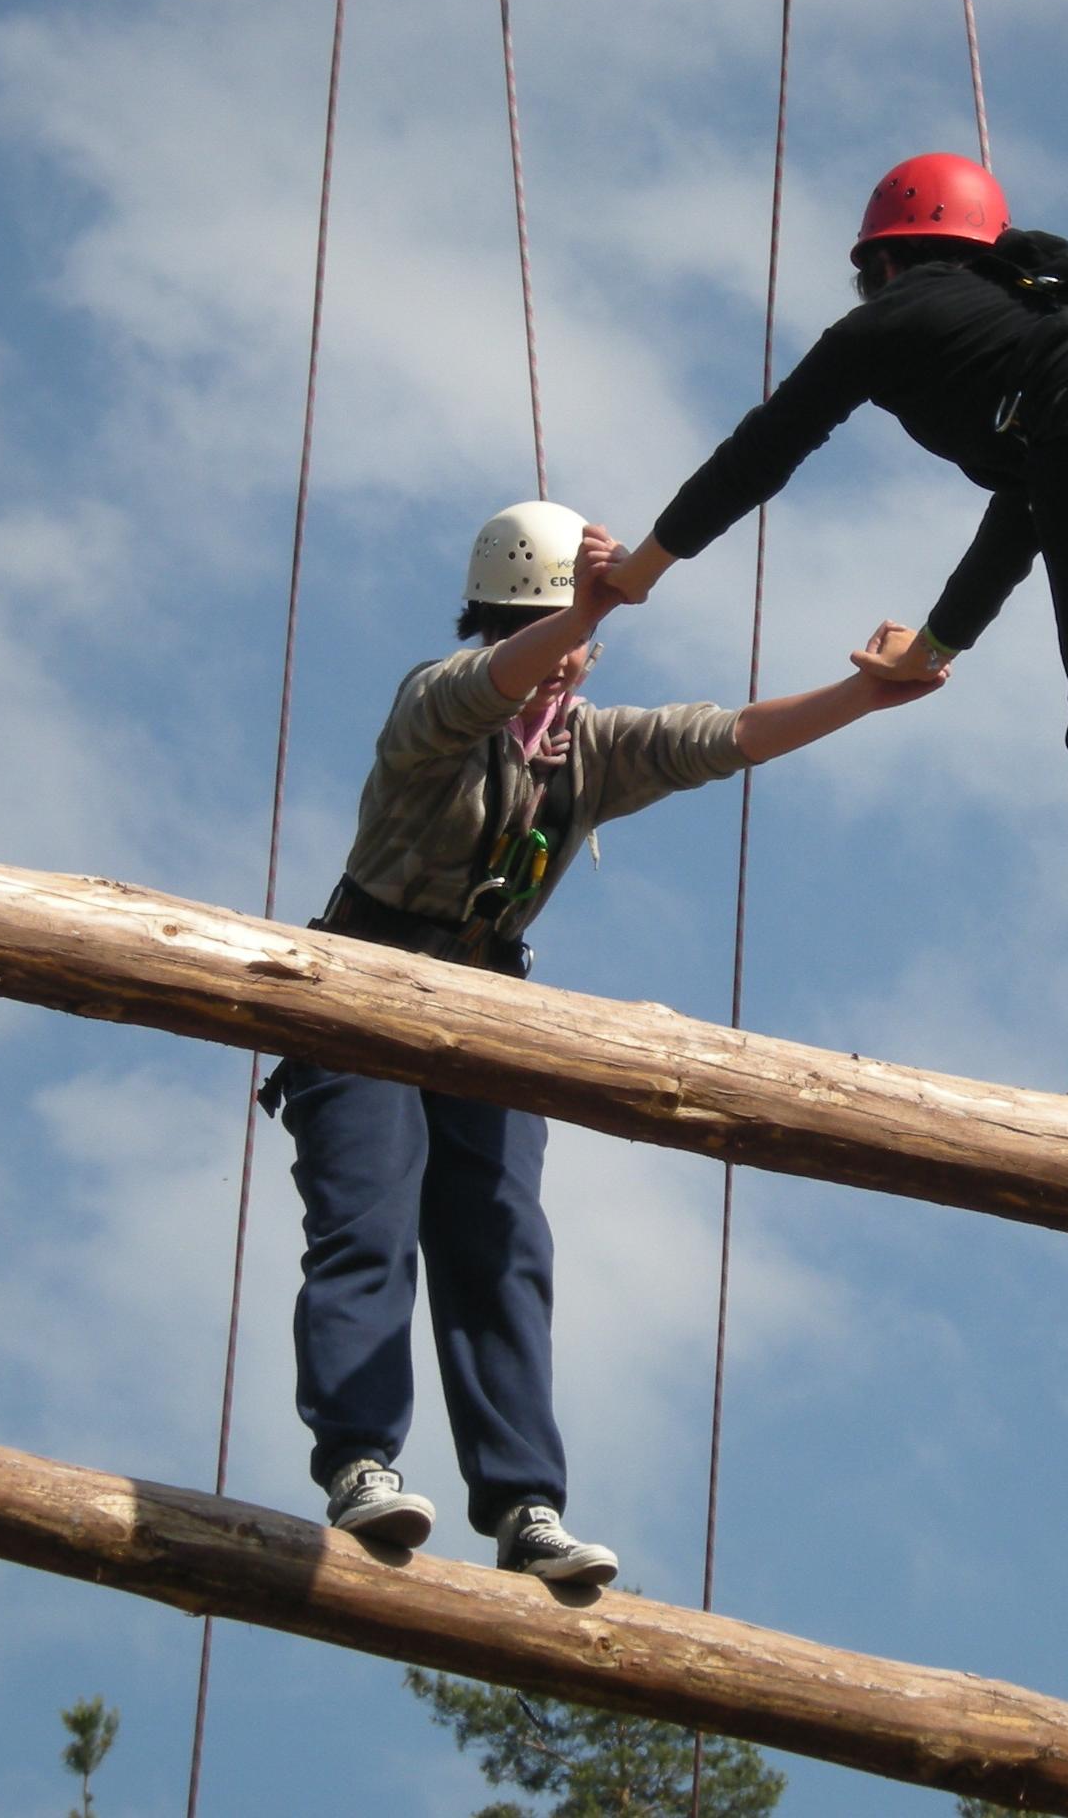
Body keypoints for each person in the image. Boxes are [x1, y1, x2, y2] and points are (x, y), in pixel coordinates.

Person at [258, 499, 940, 1586]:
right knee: (366, 1225)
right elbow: (493, 684)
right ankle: (358, 1463)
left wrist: (868, 692)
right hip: (362, 981)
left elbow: (727, 738)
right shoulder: (438, 704)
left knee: (502, 1250)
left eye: (584, 639)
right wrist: (580, 610)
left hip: (486, 1006)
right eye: (556, 632)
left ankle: (525, 1500)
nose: (571, 659)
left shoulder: (591, 751)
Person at [605, 153, 1068, 1128]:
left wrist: (640, 571)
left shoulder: (897, 321)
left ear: (888, 264)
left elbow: (764, 449)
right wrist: (935, 650)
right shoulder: (1047, 323)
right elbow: (1034, 502)